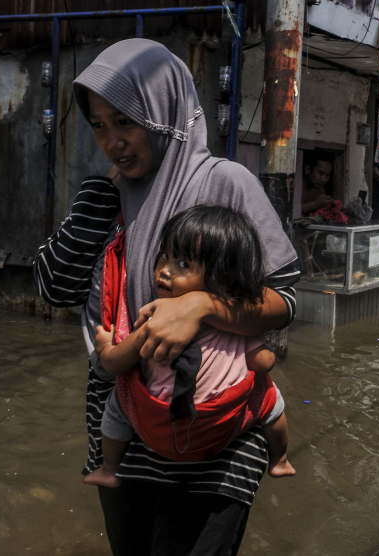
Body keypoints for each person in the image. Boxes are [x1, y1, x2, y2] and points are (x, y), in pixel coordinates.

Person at [33, 39, 299, 554]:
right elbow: (55, 288)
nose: (113, 142)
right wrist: (97, 201)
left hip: (214, 428)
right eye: (99, 125)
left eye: (126, 122)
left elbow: (286, 303)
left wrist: (202, 306)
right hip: (122, 421)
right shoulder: (109, 195)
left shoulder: (226, 185)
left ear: (165, 113)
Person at [84, 206, 295, 489]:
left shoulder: (156, 318)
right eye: (166, 256)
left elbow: (114, 364)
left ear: (221, 277)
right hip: (217, 430)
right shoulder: (235, 323)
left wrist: (105, 346)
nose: (165, 270)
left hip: (159, 433)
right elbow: (263, 363)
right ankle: (280, 460)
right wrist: (267, 353)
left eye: (183, 265)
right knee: (270, 396)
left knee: (118, 397)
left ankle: (108, 468)